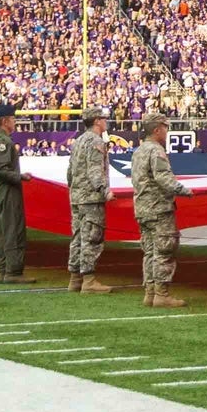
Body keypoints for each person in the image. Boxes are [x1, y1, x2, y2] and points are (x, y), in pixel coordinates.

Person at [129, 112, 187, 308]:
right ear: (157, 130)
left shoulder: (139, 151)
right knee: (164, 251)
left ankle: (150, 292)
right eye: (165, 127)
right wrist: (184, 190)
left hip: (143, 208)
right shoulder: (156, 151)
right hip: (159, 208)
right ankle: (161, 293)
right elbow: (164, 179)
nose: (166, 131)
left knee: (150, 251)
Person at [66, 110, 114, 295]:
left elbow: (70, 171)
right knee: (91, 238)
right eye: (104, 119)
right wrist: (105, 191)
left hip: (77, 196)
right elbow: (95, 171)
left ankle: (75, 279)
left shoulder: (78, 141)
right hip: (91, 198)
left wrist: (74, 189)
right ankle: (89, 280)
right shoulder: (96, 141)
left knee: (77, 237)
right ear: (97, 121)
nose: (106, 122)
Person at [0, 104, 28, 284]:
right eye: (13, 118)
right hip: (7, 190)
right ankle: (13, 271)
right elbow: (1, 169)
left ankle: (3, 270)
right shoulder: (5, 142)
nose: (15, 122)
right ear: (4, 121)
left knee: (1, 231)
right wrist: (20, 177)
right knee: (12, 230)